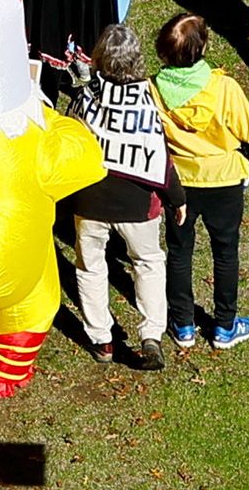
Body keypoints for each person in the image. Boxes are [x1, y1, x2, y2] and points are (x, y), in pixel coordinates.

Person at [153, 7, 249, 352]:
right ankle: (225, 325)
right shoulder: (224, 88)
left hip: (179, 182)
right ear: (203, 49)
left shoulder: (153, 90)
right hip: (224, 181)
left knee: (179, 251)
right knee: (225, 251)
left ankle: (182, 324)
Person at [68, 20, 173, 371]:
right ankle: (151, 334)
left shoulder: (84, 98)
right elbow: (160, 155)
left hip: (89, 201)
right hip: (138, 205)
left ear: (98, 58)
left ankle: (102, 339)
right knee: (148, 263)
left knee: (90, 268)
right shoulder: (149, 101)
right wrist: (179, 199)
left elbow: (70, 142)